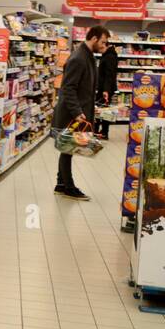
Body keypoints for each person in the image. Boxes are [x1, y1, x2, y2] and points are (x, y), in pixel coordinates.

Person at [54, 25, 108, 200]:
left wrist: (92, 105)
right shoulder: (79, 58)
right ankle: (68, 187)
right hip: (71, 113)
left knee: (67, 147)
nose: (104, 46)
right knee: (68, 149)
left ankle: (61, 184)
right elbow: (68, 88)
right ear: (93, 38)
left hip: (79, 110)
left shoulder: (87, 55)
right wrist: (77, 111)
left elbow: (84, 87)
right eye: (103, 42)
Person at [94, 40, 118, 138]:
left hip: (105, 89)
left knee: (103, 111)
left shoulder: (110, 57)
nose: (100, 50)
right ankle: (100, 131)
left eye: (101, 48)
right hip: (103, 87)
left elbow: (109, 75)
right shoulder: (107, 54)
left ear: (106, 45)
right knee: (102, 110)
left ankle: (103, 132)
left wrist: (106, 90)